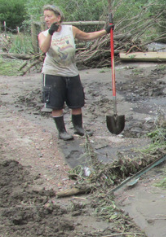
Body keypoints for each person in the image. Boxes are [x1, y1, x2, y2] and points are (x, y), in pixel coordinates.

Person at [38, 4, 114, 140]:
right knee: (56, 104)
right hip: (52, 73)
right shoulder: (43, 34)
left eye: (49, 16)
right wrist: (50, 32)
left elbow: (87, 36)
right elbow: (44, 49)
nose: (46, 19)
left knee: (76, 102)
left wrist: (105, 31)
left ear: (58, 17)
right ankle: (62, 131)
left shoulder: (70, 29)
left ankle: (79, 128)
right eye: (45, 17)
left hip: (71, 72)